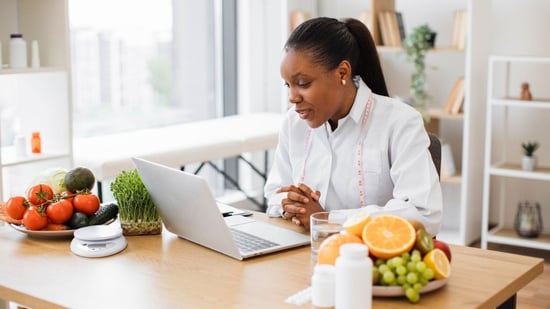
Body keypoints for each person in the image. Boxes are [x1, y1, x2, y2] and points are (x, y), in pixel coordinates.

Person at [263, 17, 443, 236]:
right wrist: (292, 202)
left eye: (303, 84)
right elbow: (274, 192)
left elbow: (424, 214)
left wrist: (327, 219)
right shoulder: (293, 123)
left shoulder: (400, 121)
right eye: (287, 85)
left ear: (342, 73)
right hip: (304, 253)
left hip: (371, 259)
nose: (292, 97)